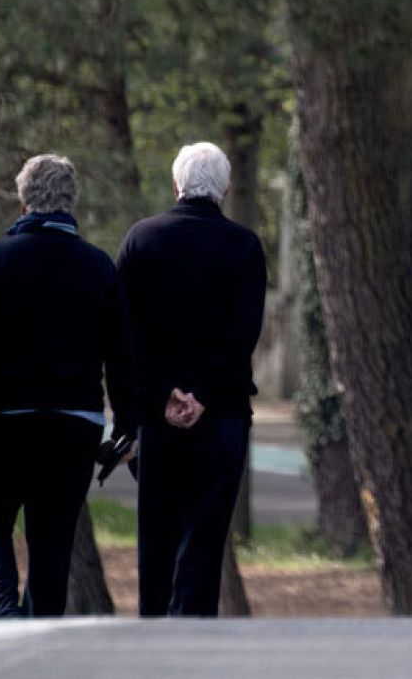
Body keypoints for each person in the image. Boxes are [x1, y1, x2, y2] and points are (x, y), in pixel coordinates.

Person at [0, 154, 139, 618]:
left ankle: (3, 613)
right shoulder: (97, 267)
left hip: (2, 423)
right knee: (52, 547)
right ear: (71, 204)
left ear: (23, 203)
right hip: (73, 426)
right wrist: (125, 426)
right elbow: (120, 355)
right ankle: (41, 642)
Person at [119, 142, 267, 617]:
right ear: (224, 189)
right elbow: (244, 332)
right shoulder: (244, 247)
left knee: (156, 535)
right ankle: (193, 642)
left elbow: (126, 331)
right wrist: (201, 394)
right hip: (221, 413)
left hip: (156, 419)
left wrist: (164, 393)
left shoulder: (141, 240)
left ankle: (152, 640)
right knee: (204, 541)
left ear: (176, 185)